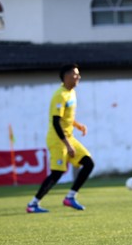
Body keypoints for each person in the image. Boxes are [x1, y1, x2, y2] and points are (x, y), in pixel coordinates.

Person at [26, 64, 95, 213]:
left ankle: (70, 197)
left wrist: (78, 125)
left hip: (69, 137)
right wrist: (67, 145)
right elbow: (56, 122)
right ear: (66, 76)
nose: (79, 77)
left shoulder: (72, 93)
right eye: (75, 74)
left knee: (88, 163)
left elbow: (66, 117)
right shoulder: (60, 95)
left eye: (78, 74)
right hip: (58, 139)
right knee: (57, 173)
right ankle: (33, 204)